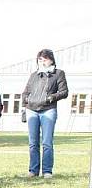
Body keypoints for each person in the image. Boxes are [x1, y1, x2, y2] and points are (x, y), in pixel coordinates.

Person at [22, 48, 68, 178]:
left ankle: (47, 171)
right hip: (32, 110)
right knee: (33, 143)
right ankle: (33, 170)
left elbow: (64, 92)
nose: (42, 62)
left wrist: (51, 97)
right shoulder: (34, 75)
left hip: (48, 110)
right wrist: (25, 107)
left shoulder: (58, 73)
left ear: (51, 60)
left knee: (47, 142)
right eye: (40, 59)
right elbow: (25, 92)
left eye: (45, 59)